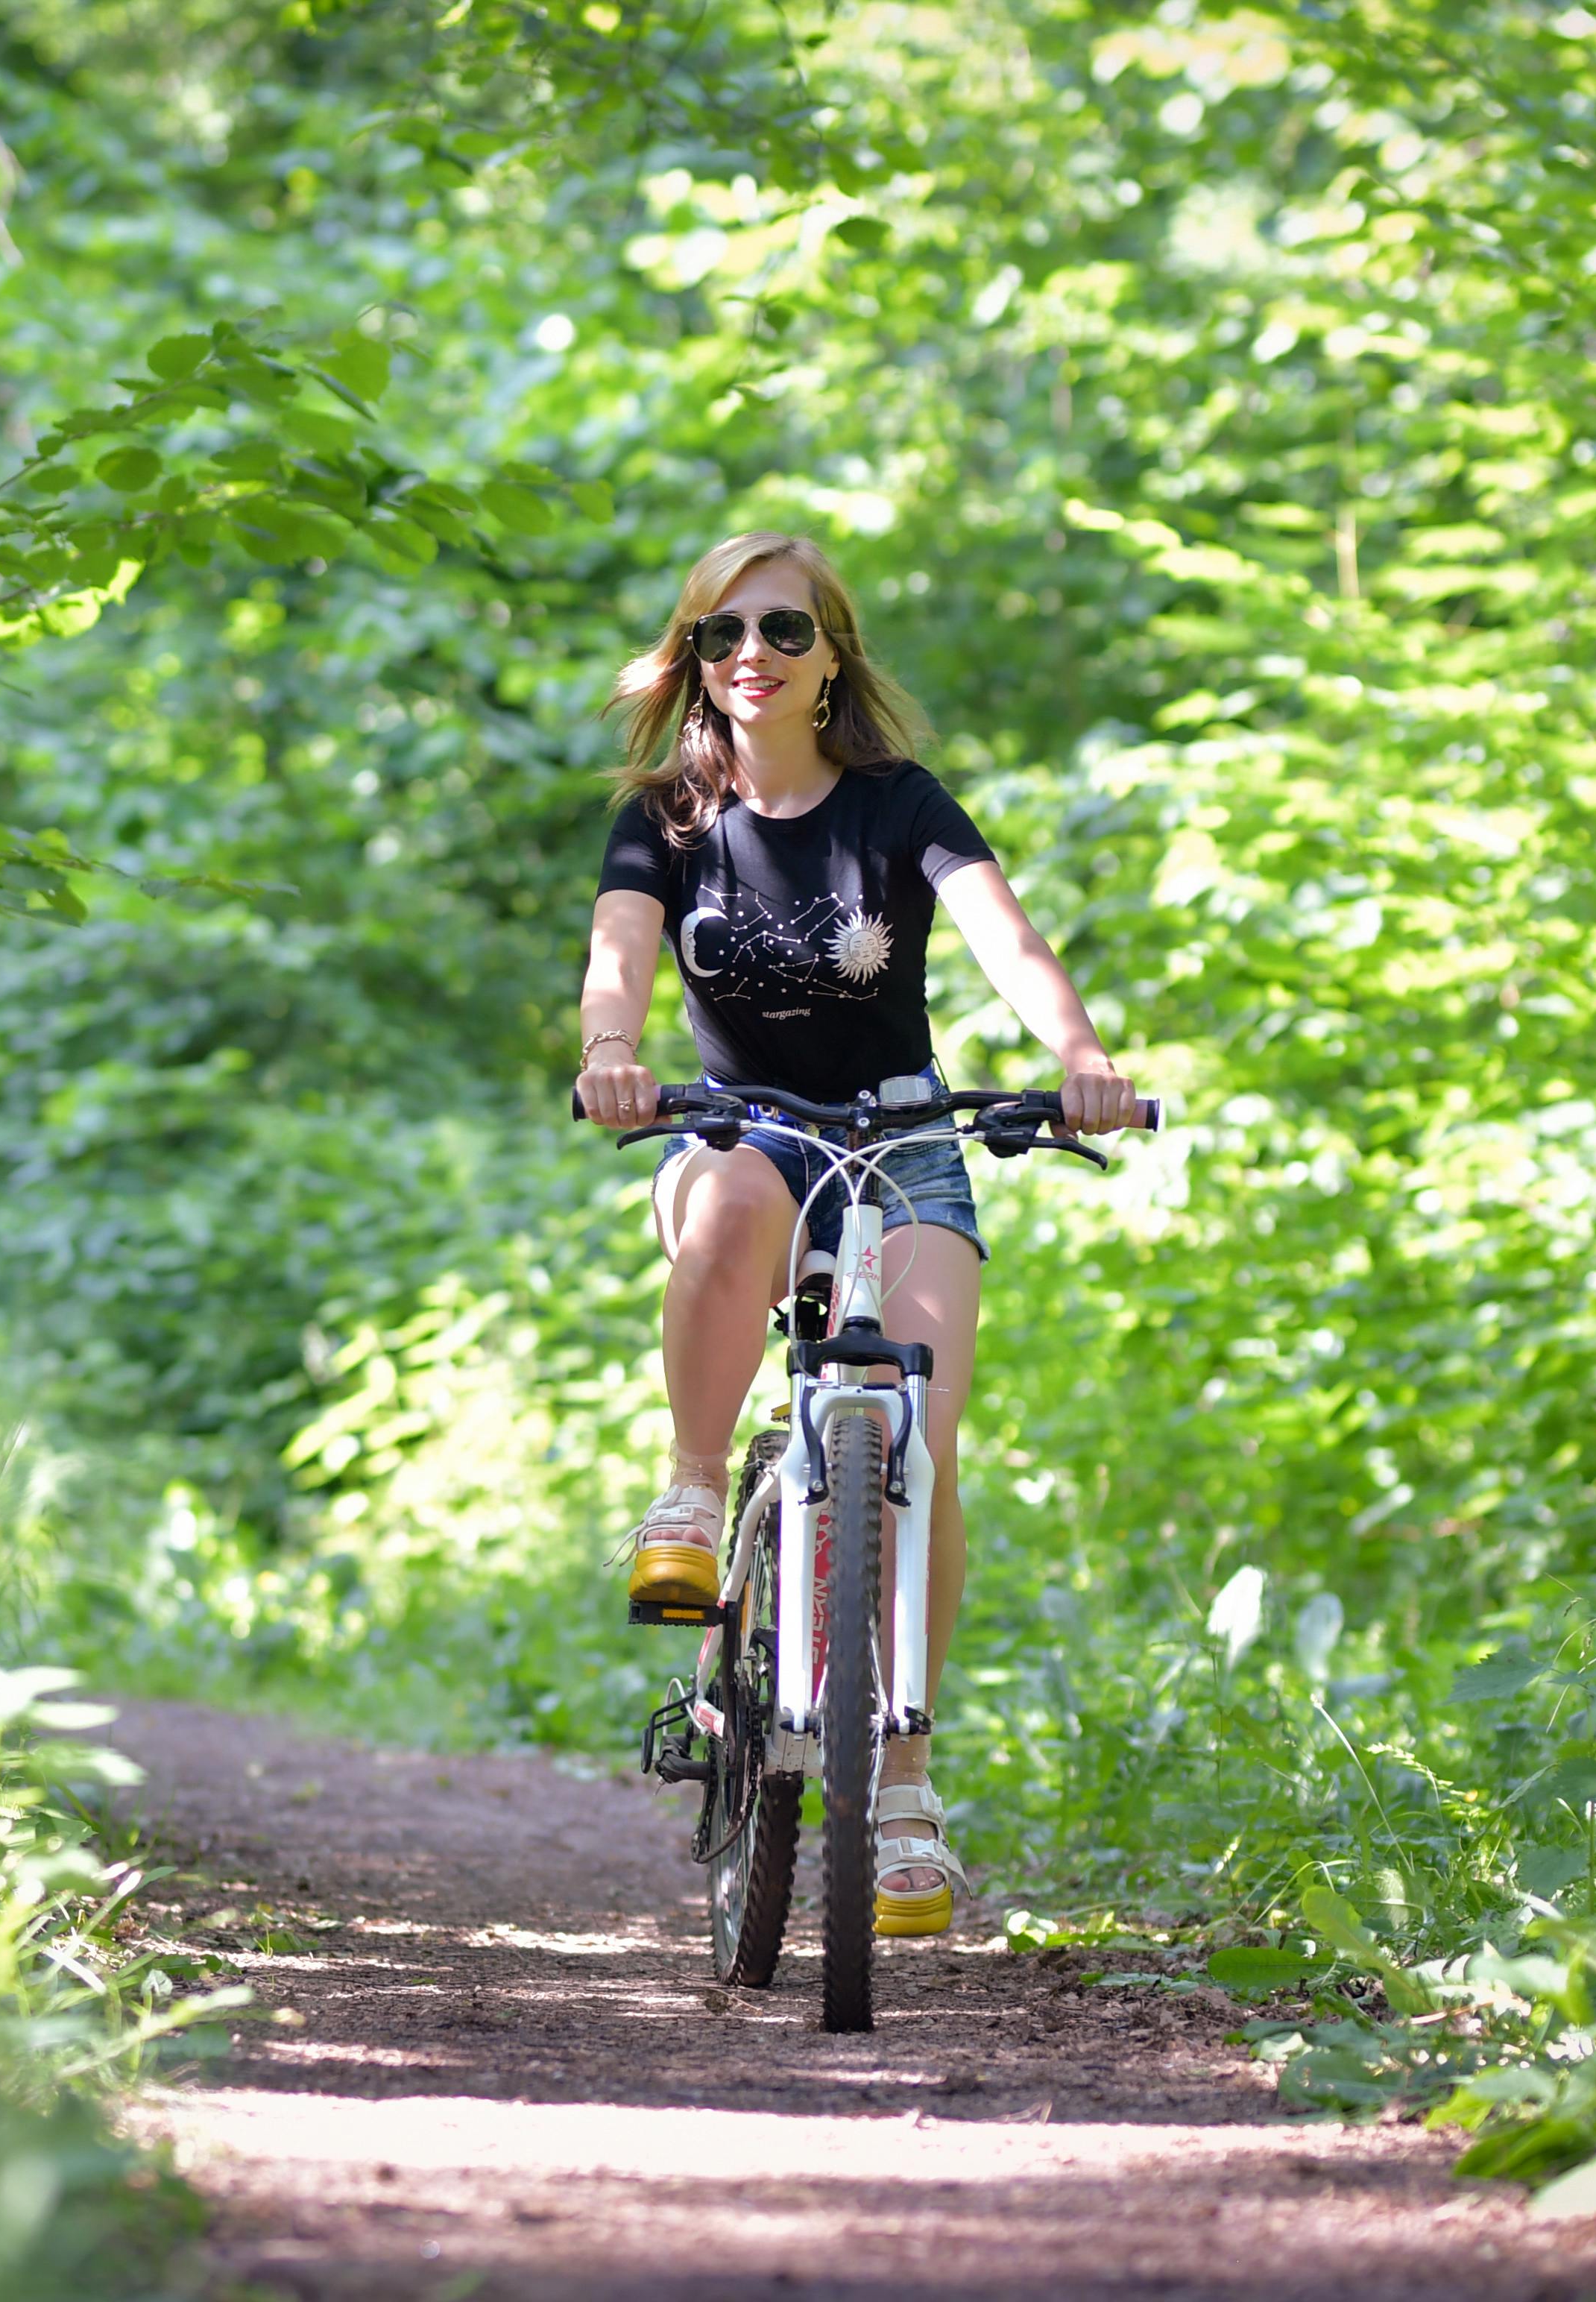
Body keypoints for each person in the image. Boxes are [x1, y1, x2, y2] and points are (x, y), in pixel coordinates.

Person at [570, 531, 1141, 1939]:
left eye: (781, 629)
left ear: (833, 655)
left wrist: (1078, 1054)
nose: (749, 655)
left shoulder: (898, 805)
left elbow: (1002, 936)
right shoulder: (667, 815)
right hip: (737, 1122)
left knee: (916, 1423)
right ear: (694, 663)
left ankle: (903, 1791)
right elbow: (621, 952)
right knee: (736, 1201)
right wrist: (610, 1046)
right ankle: (696, 1497)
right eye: (720, 635)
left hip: (903, 1134)